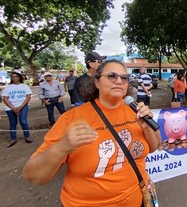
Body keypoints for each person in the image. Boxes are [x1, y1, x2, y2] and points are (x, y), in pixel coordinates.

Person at [23, 60, 162, 206]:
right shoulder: (71, 119)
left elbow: (154, 147)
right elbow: (33, 176)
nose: (119, 81)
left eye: (124, 77)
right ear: (96, 82)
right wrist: (63, 146)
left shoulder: (135, 111)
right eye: (112, 76)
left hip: (137, 199)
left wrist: (146, 127)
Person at [2, 71, 33, 147]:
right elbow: (5, 99)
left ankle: (27, 136)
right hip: (10, 107)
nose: (15, 78)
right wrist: (13, 108)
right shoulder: (8, 87)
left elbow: (28, 97)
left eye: (16, 76)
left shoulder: (25, 86)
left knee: (23, 121)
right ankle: (13, 138)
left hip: (23, 105)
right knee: (13, 123)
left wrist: (20, 107)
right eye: (13, 77)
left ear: (19, 77)